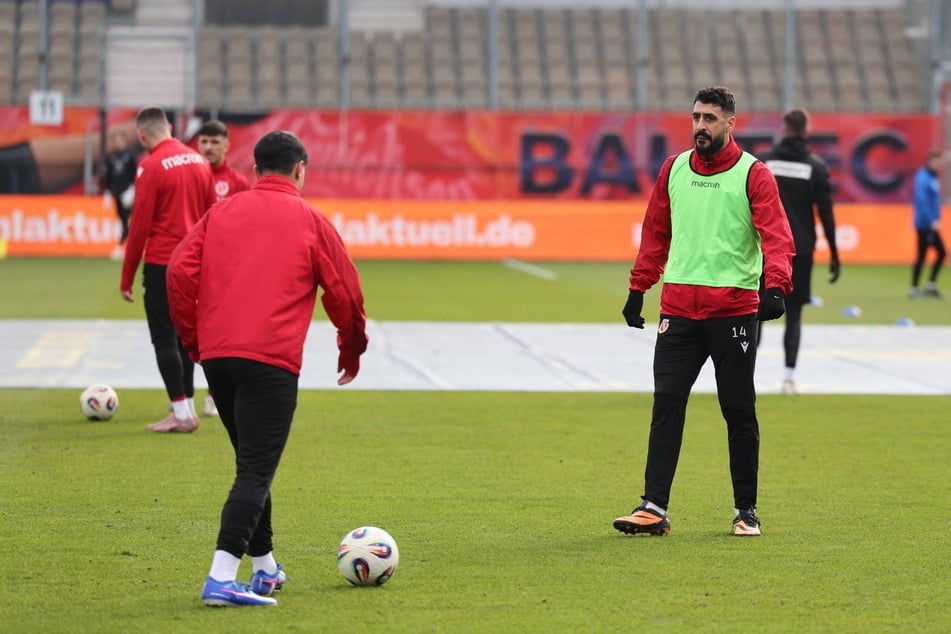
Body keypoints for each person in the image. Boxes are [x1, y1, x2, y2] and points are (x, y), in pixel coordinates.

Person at [166, 130, 369, 607]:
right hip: (270, 361)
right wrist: (351, 349)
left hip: (218, 359)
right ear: (301, 170)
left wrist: (194, 341)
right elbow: (345, 292)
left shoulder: (220, 212)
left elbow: (177, 272)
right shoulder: (311, 221)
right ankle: (220, 577)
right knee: (256, 471)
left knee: (251, 465)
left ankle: (265, 569)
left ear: (255, 170)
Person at [613, 86, 795, 538]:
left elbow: (776, 234)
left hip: (733, 311)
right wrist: (639, 287)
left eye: (710, 118)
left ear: (731, 123)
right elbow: (655, 232)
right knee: (666, 404)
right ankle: (653, 507)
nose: (700, 126)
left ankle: (746, 511)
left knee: (738, 410)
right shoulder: (673, 168)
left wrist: (776, 285)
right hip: (678, 310)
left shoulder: (754, 174)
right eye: (696, 117)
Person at [119, 106, 217, 433]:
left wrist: (127, 277)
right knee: (185, 335)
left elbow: (139, 227)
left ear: (142, 136)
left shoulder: (150, 165)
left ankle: (181, 413)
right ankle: (187, 405)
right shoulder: (199, 161)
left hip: (162, 263)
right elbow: (212, 217)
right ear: (170, 128)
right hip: (194, 264)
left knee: (164, 338)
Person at [760, 109, 841, 395]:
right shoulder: (815, 167)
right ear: (806, 131)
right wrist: (834, 254)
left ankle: (745, 375)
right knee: (793, 314)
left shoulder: (764, 162)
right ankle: (788, 378)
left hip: (765, 247)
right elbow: (826, 214)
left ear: (783, 129)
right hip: (800, 249)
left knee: (755, 311)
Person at [194, 119, 251, 417]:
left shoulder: (237, 183)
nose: (209, 147)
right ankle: (182, 396)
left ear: (227, 145)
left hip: (224, 270)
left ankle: (213, 394)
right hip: (193, 266)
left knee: (220, 333)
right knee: (185, 330)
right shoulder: (188, 176)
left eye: (215, 142)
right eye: (204, 141)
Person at [909, 149, 946, 299]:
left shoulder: (933, 176)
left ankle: (930, 285)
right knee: (923, 255)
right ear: (931, 161)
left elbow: (934, 200)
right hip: (925, 224)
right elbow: (922, 201)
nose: (941, 164)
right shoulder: (923, 177)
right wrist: (931, 220)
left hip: (931, 223)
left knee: (941, 253)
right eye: (938, 161)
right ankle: (914, 288)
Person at [99, 129, 140, 260]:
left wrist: (133, 189)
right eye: (116, 141)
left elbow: (136, 174)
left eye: (120, 140)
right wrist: (106, 191)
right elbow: (108, 177)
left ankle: (127, 247)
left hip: (129, 193)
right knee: (122, 220)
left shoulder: (130, 156)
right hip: (117, 194)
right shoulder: (111, 158)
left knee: (133, 221)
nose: (118, 143)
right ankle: (122, 246)